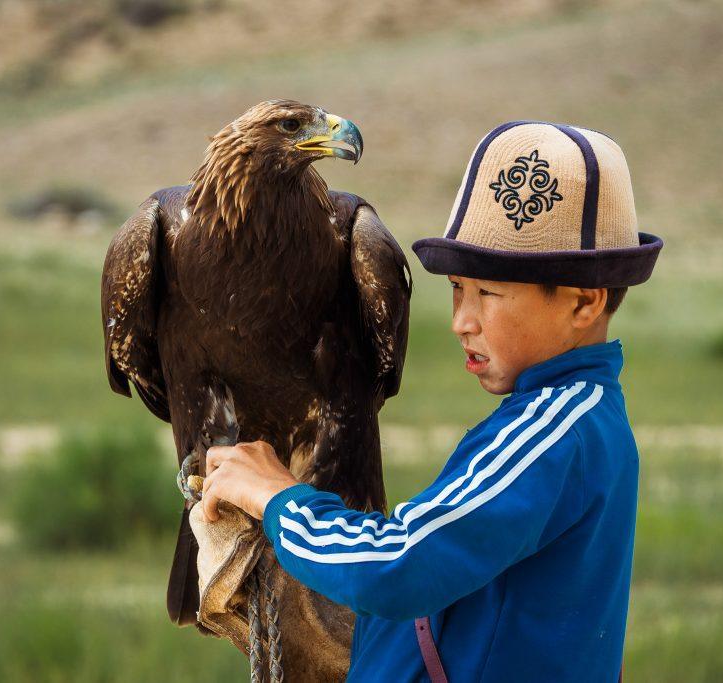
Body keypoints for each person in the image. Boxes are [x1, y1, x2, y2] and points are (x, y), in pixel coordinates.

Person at [200, 120, 663, 682]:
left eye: (488, 294)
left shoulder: (553, 432)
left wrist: (278, 499)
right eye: (456, 289)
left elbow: (398, 566)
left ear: (583, 303)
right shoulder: (573, 418)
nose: (460, 322)